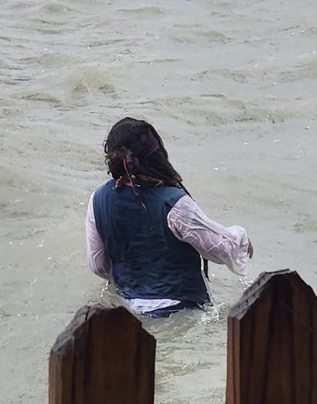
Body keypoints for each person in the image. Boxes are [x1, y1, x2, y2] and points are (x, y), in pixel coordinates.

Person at [86, 117, 252, 318]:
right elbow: (221, 249)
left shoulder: (97, 199)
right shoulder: (174, 203)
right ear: (157, 154)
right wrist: (241, 238)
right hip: (182, 313)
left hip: (128, 311)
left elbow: (99, 265)